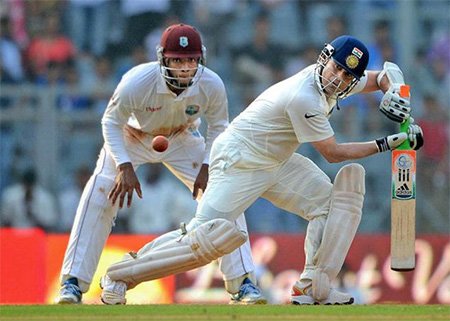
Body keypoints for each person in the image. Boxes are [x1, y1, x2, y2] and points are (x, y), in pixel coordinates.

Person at [99, 35, 424, 305]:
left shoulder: (338, 83)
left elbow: (386, 73)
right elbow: (333, 153)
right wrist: (388, 143)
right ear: (324, 60)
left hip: (277, 160)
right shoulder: (305, 97)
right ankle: (119, 276)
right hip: (240, 159)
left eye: (346, 76)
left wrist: (396, 90)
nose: (338, 78)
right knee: (203, 240)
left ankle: (311, 286)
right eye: (336, 69)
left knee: (331, 203)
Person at [56, 23, 265, 305]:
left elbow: (218, 127)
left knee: (223, 194)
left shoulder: (211, 83)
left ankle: (242, 283)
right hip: (132, 136)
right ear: (163, 59)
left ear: (200, 59)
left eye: (190, 60)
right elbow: (110, 122)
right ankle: (73, 282)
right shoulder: (137, 81)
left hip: (181, 136)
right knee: (100, 193)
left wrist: (207, 166)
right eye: (177, 60)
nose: (184, 68)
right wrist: (124, 165)